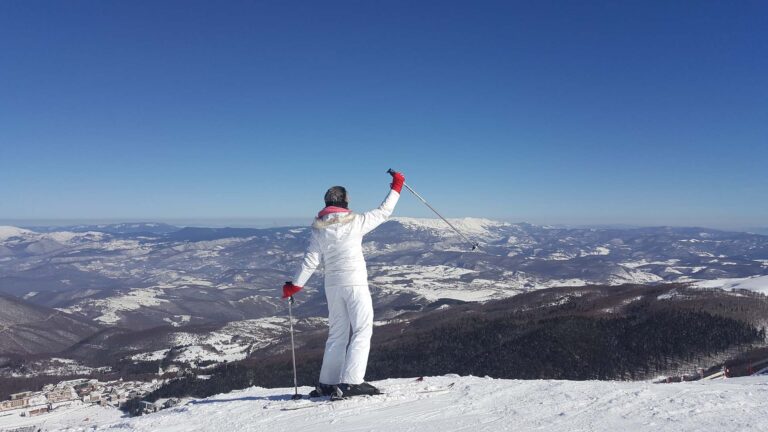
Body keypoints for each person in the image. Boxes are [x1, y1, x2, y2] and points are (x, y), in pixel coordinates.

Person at [281, 170, 405, 397]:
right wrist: (397, 187)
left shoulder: (318, 228)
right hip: (355, 282)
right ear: (345, 201)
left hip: (332, 286)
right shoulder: (356, 222)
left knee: (337, 333)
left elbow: (311, 261)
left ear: (327, 202)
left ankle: (327, 382)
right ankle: (352, 382)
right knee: (362, 329)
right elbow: (384, 211)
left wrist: (295, 285)